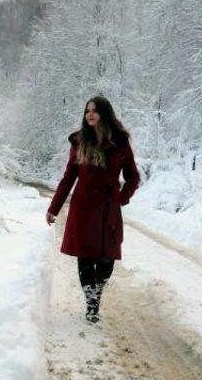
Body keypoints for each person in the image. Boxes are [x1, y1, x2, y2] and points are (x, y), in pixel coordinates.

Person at [46, 94, 140, 323]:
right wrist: (54, 208)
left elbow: (133, 177)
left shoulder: (119, 142)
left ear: (104, 114)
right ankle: (91, 301)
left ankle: (96, 292)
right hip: (83, 208)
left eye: (95, 110)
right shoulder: (79, 142)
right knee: (86, 257)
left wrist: (121, 198)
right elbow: (68, 177)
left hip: (108, 208)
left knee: (107, 258)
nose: (90, 114)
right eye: (88, 110)